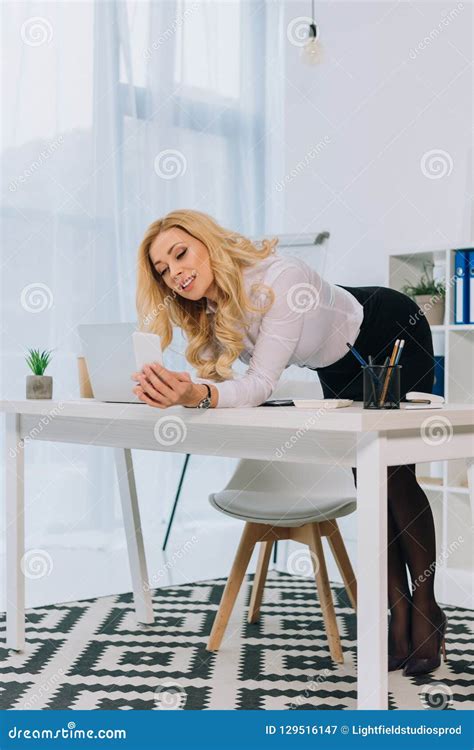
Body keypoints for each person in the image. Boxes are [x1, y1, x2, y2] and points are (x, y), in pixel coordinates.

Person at [133, 208, 447, 676]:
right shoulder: (216, 307)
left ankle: (426, 613)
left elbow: (259, 384)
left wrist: (200, 394)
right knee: (370, 483)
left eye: (180, 254)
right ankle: (397, 614)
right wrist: (184, 389)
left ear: (207, 242)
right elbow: (235, 384)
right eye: (163, 270)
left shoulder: (283, 278)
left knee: (397, 475)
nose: (175, 272)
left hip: (389, 330)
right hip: (339, 366)